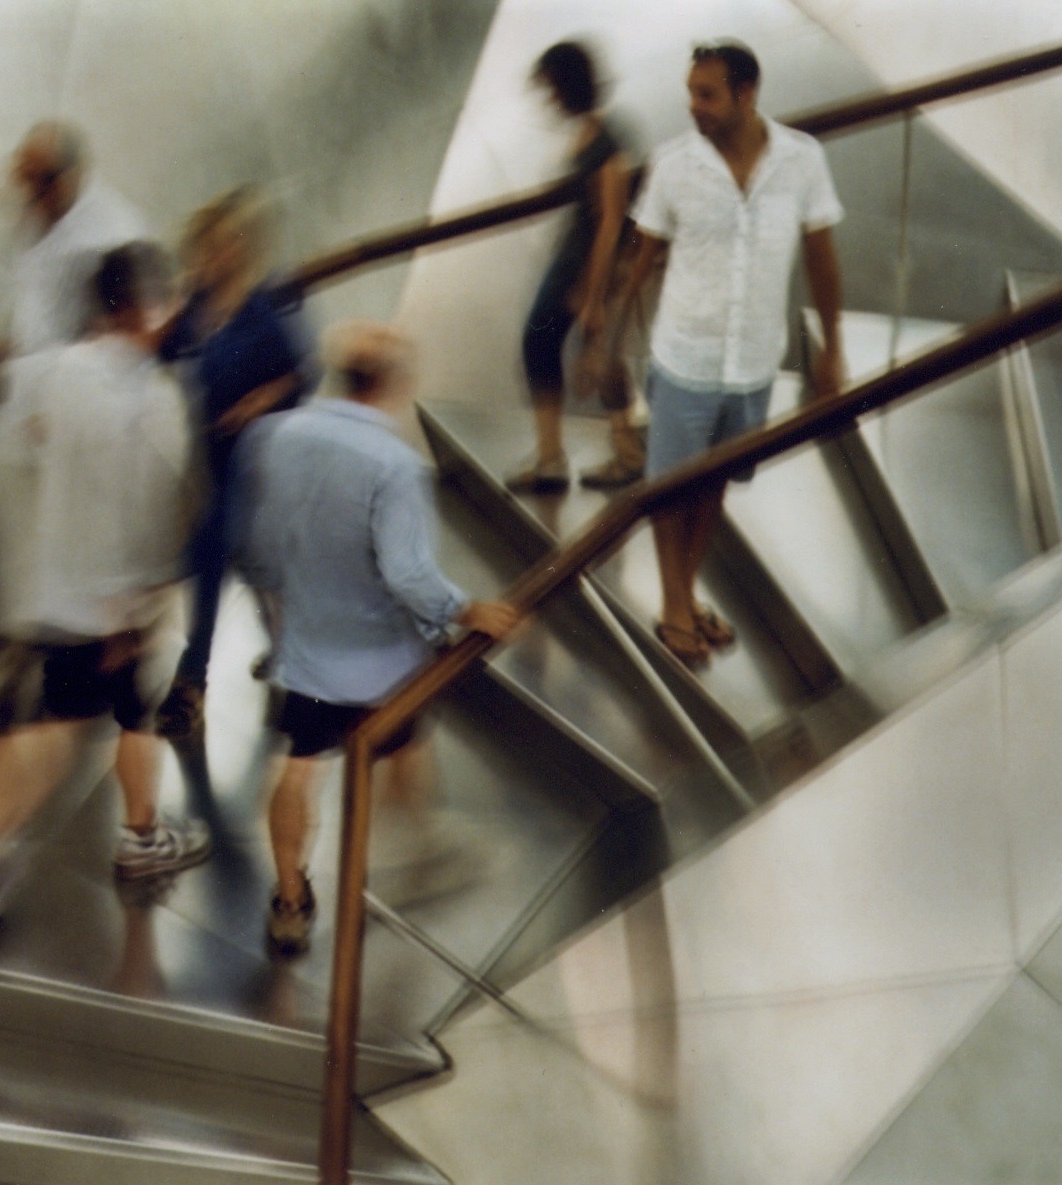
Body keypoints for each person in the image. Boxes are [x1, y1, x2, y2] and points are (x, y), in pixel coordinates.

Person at [0, 244, 211, 947]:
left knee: (90, 719)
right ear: (149, 308)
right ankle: (122, 841)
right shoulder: (156, 399)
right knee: (84, 729)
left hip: (45, 587)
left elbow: (33, 443)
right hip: (108, 603)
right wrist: (138, 607)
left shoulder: (59, 373)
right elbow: (147, 510)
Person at [239, 323, 520, 956]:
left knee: (299, 766)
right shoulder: (395, 463)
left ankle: (288, 899)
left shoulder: (277, 436)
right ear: (393, 385)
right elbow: (407, 573)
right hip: (383, 661)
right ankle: (409, 852)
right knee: (406, 746)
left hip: (308, 647)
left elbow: (259, 543)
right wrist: (465, 609)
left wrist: (281, 617)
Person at [614, 40, 844, 668]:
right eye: (691, 92)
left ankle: (685, 594)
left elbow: (822, 258)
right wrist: (611, 337)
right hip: (684, 355)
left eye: (706, 94)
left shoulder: (801, 160)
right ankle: (672, 604)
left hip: (752, 363)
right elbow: (643, 254)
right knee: (669, 488)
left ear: (747, 93)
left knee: (713, 482)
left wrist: (833, 350)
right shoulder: (674, 163)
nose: (694, 106)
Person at [155, 187, 318, 740]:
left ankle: (190, 682)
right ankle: (284, 652)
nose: (211, 257)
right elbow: (164, 348)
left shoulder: (261, 306)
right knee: (245, 558)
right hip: (215, 458)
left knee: (214, 554)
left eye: (221, 247)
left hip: (259, 461)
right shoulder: (197, 308)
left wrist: (258, 403)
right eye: (205, 248)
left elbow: (303, 371)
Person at [511, 40, 645, 494]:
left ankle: (568, 458)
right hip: (575, 259)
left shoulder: (606, 139)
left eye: (550, 87)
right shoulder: (593, 131)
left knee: (549, 343)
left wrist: (594, 291)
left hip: (582, 264)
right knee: (560, 347)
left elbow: (610, 217)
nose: (548, 98)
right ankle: (610, 454)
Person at [7, 121, 149, 354]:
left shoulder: (109, 236)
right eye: (23, 178)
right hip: (33, 352)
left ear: (74, 175)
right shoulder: (44, 206)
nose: (28, 193)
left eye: (40, 182)